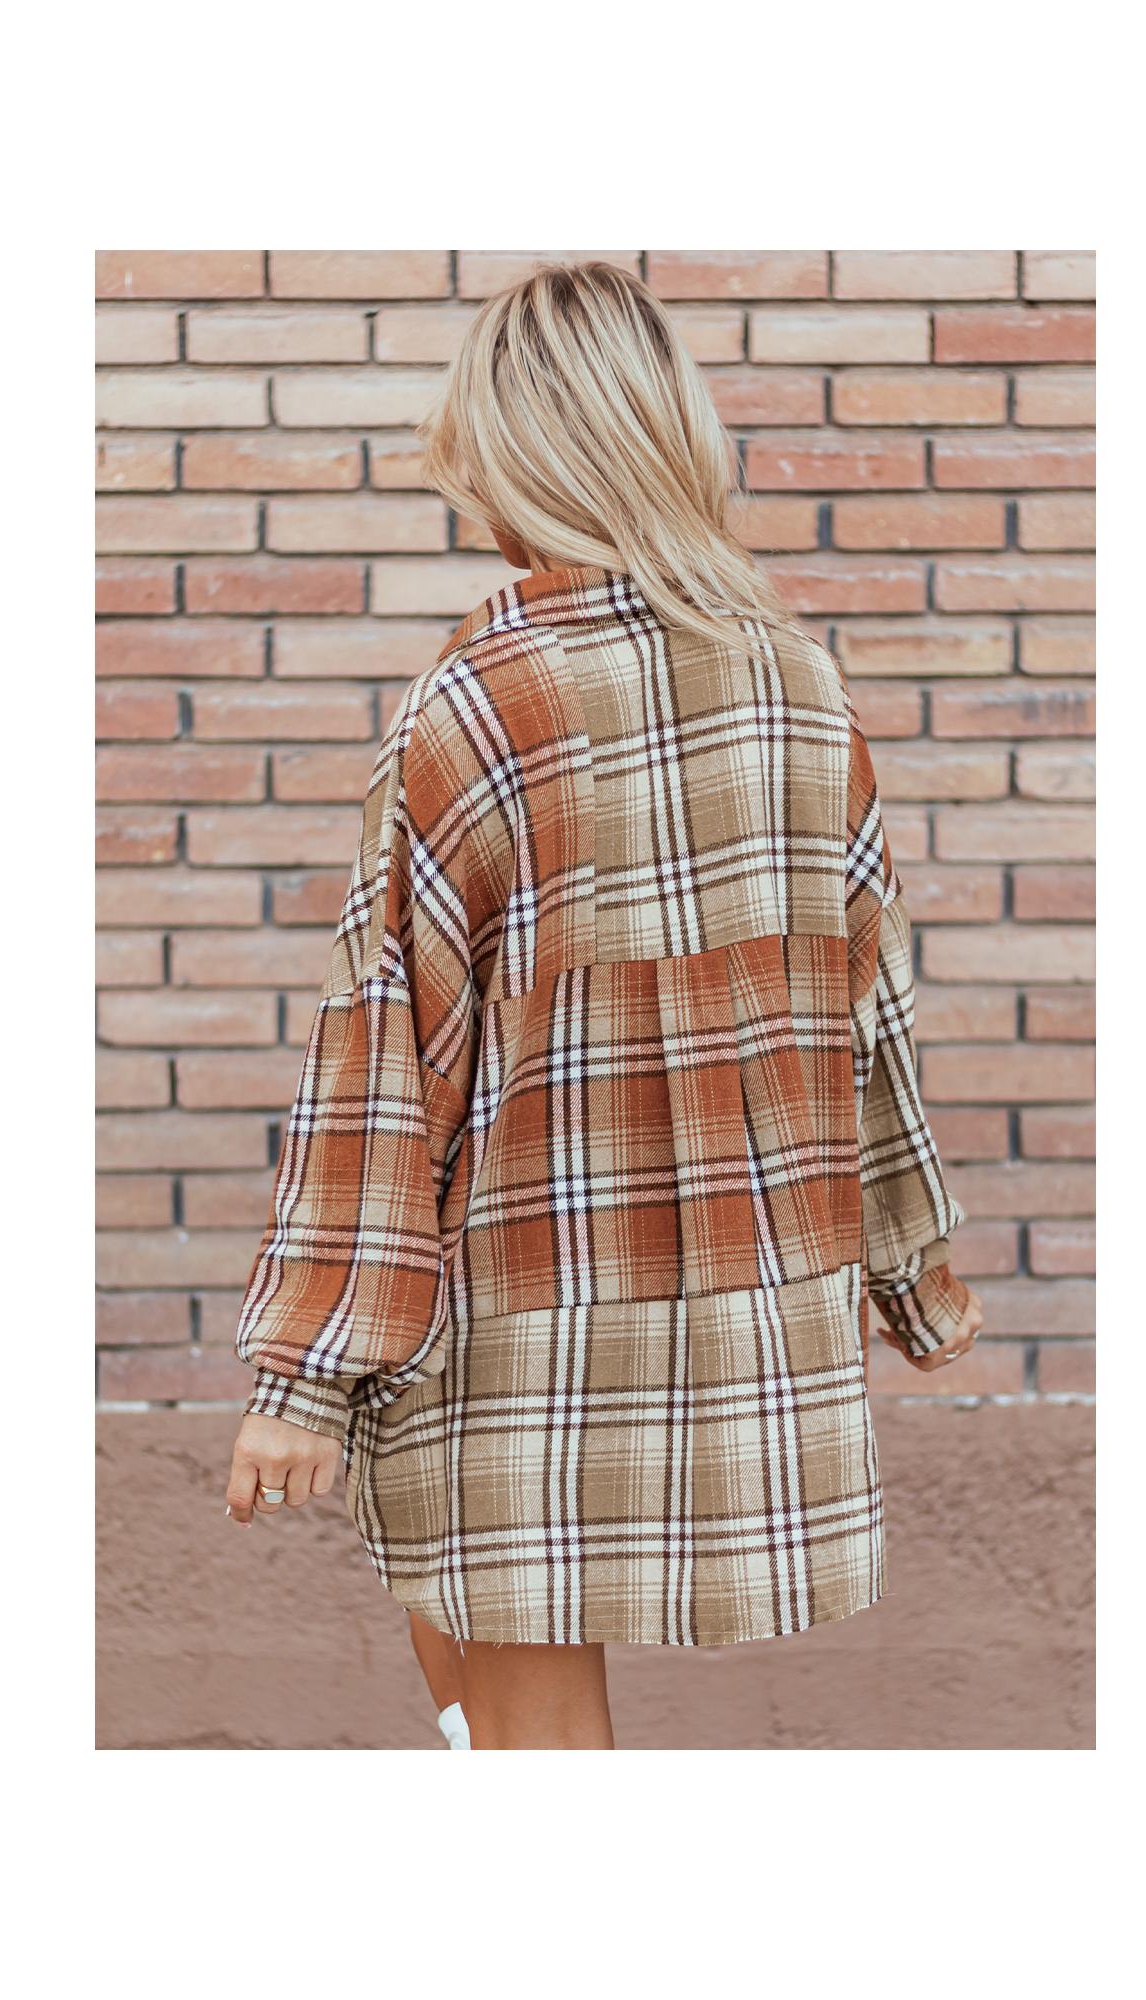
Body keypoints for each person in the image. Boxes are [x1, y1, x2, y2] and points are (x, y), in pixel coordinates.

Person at [222, 262, 982, 1751]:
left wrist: (302, 1378)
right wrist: (910, 1279)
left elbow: (387, 1060)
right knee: (516, 1722)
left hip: (525, 1304)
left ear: (512, 458)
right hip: (750, 1309)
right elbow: (868, 1016)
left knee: (525, 1728)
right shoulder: (801, 688)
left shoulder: (481, 702)